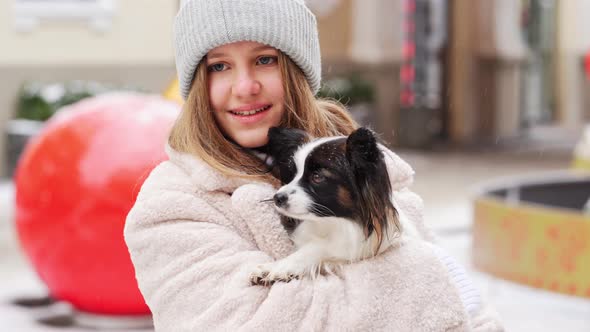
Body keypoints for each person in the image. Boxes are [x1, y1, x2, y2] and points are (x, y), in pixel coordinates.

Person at [124, 0, 504, 330]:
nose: (244, 86)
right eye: (219, 67)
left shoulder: (362, 166)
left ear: (296, 70)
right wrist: (428, 276)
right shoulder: (175, 206)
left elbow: (467, 318)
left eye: (264, 59)